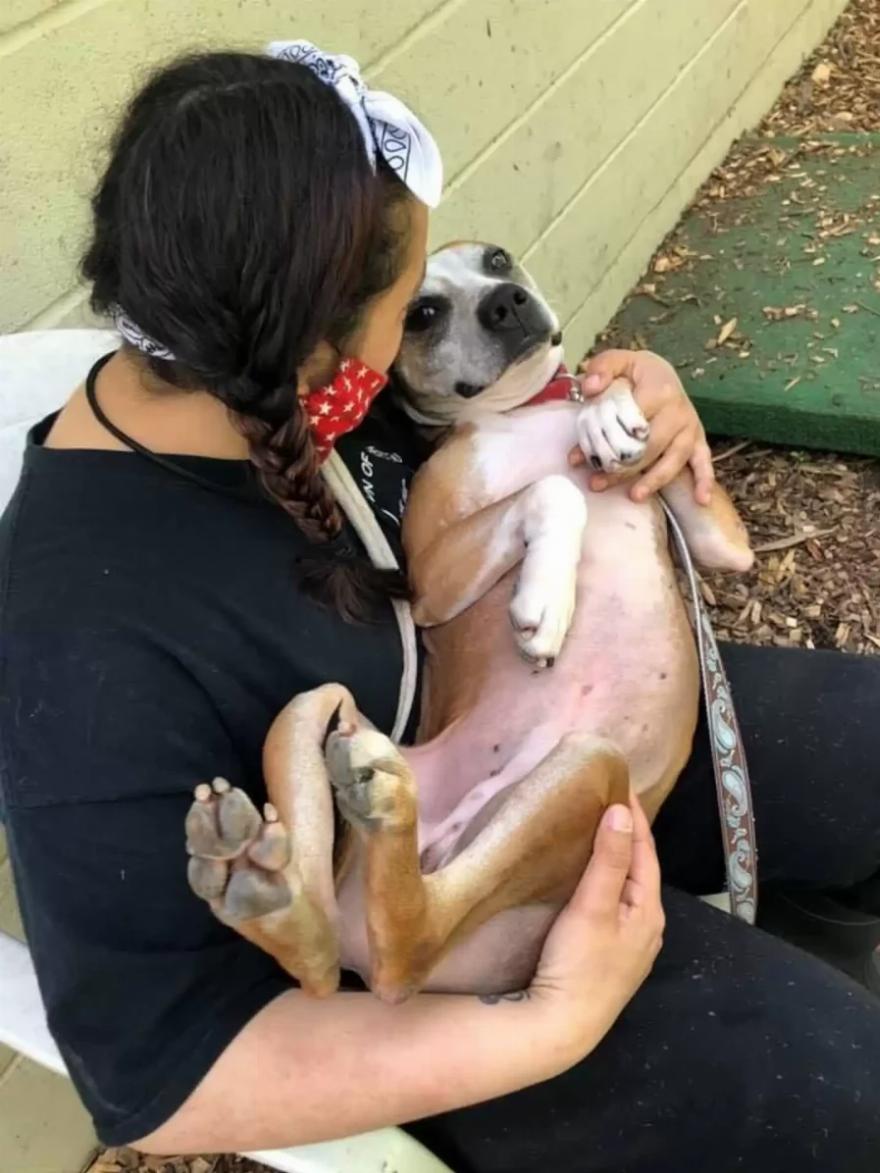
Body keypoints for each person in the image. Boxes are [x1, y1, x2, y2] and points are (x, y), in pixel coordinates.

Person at [0, 43, 877, 1173]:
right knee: (840, 1089)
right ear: (321, 332)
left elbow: (489, 442)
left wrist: (639, 409)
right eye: (406, 304)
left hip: (539, 709)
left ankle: (806, 938)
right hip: (424, 959)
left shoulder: (293, 385)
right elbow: (160, 1080)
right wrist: (549, 1023)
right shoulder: (80, 640)